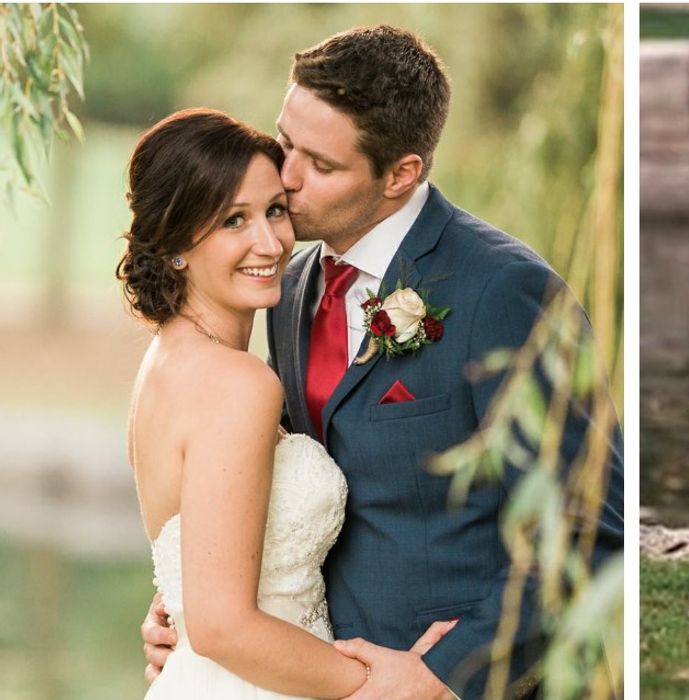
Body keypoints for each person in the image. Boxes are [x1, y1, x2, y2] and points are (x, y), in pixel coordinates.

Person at [141, 25, 625, 700]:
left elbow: (586, 529)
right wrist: (192, 602)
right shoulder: (287, 288)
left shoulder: (503, 292)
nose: (285, 176)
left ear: (401, 174)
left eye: (322, 164)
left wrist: (441, 675)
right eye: (285, 142)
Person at [120, 108, 376, 698]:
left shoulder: (164, 361)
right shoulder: (237, 384)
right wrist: (377, 685)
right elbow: (221, 624)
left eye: (275, 210)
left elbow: (200, 577)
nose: (271, 242)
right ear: (175, 241)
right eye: (234, 220)